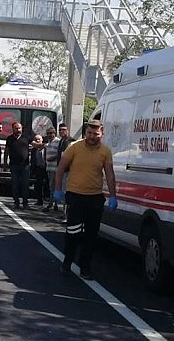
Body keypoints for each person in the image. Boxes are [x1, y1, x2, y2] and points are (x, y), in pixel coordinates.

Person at [54, 119, 117, 281]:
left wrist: (112, 195)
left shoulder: (105, 151)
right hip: (75, 196)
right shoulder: (74, 147)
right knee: (73, 233)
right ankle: (67, 262)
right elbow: (61, 168)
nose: (92, 136)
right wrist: (57, 190)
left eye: (96, 134)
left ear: (102, 134)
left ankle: (85, 268)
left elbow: (109, 174)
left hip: (95, 198)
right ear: (85, 133)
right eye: (89, 133)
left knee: (90, 236)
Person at [4, 121, 41, 209]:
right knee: (15, 184)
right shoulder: (9, 138)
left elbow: (34, 144)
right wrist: (5, 163)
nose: (18, 130)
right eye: (16, 128)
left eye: (19, 128)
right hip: (14, 165)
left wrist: (43, 145)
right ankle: (16, 202)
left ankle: (25, 203)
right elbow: (6, 151)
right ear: (13, 129)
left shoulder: (26, 137)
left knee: (25, 184)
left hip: (25, 165)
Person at [45, 123, 75, 212]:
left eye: (64, 129)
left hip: (67, 170)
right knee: (61, 190)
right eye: (60, 130)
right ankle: (64, 212)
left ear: (67, 130)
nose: (62, 131)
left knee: (66, 191)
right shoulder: (62, 141)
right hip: (60, 169)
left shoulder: (69, 141)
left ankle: (67, 213)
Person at [30, 134, 47, 206]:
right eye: (36, 139)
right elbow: (33, 160)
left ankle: (48, 200)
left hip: (46, 168)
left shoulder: (46, 148)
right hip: (38, 168)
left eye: (39, 139)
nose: (37, 141)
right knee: (38, 185)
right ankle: (39, 200)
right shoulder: (33, 150)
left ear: (42, 140)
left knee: (47, 185)